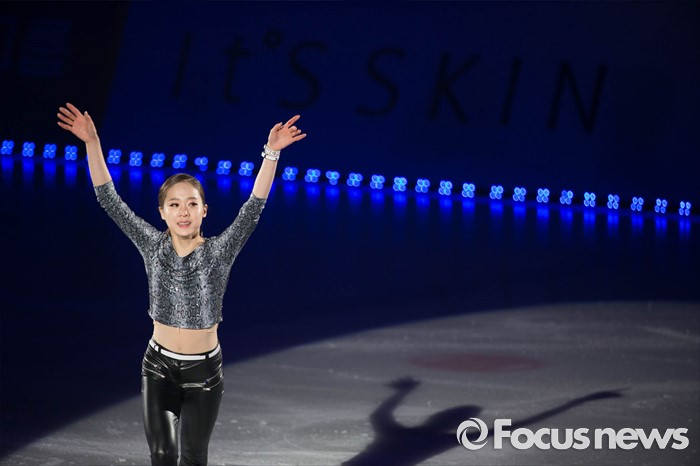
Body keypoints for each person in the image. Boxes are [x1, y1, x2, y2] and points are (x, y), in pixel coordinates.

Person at [57, 102, 306, 466]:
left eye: (191, 203)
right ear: (162, 212)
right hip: (157, 366)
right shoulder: (151, 245)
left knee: (192, 457)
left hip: (203, 373)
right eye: (174, 205)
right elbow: (109, 200)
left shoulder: (220, 251)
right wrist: (92, 142)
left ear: (204, 210)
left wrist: (271, 153)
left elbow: (253, 207)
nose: (183, 211)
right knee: (161, 455)